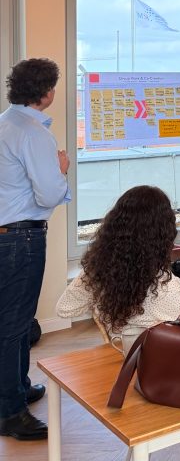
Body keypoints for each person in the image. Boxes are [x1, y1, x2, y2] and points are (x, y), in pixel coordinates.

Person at [0, 58, 70, 441]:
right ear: (45, 92)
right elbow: (48, 193)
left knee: (12, 321)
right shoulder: (34, 134)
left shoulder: (4, 123)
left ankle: (18, 387)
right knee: (15, 326)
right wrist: (62, 169)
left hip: (4, 235)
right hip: (21, 239)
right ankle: (11, 412)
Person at [57, 186, 180, 354]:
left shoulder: (97, 271)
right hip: (159, 358)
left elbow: (64, 308)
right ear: (163, 233)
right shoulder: (164, 285)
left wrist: (98, 305)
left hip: (122, 351)